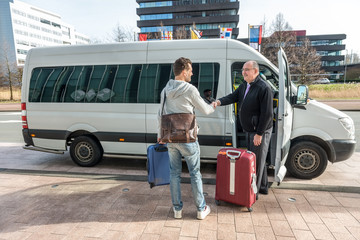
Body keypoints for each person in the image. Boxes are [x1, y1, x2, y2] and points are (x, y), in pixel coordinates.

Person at [157, 57, 215, 220]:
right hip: (188, 139)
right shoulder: (190, 89)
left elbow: (159, 114)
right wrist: (214, 105)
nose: (192, 72)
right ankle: (201, 209)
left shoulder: (165, 90)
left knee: (174, 174)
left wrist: (160, 135)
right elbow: (206, 110)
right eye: (190, 70)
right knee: (195, 174)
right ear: (184, 72)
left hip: (170, 139)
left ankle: (177, 210)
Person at [212, 60, 273, 198]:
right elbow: (233, 97)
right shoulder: (245, 84)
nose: (243, 72)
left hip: (259, 130)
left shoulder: (264, 88)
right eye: (243, 70)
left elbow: (267, 114)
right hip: (249, 129)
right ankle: (262, 187)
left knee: (255, 162)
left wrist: (259, 133)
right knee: (258, 159)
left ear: (256, 71)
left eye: (247, 69)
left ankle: (252, 194)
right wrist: (219, 101)